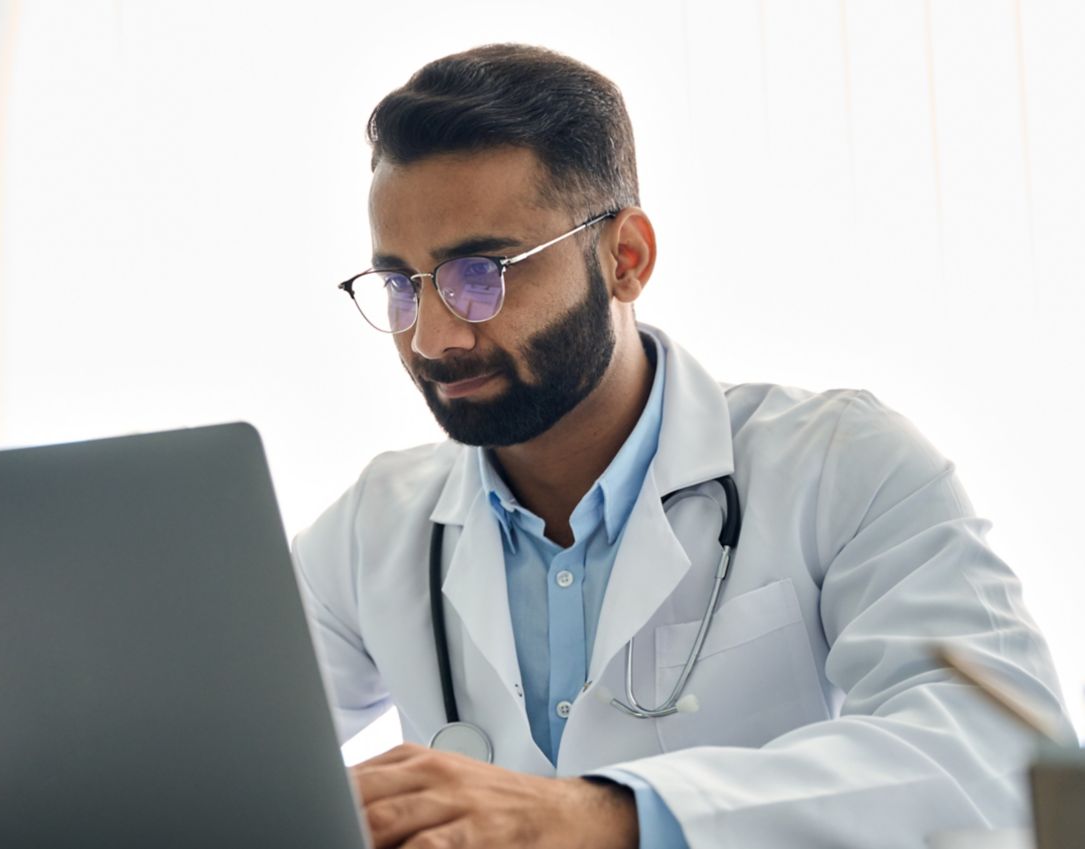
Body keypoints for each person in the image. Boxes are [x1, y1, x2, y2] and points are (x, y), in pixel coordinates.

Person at [292, 43, 1071, 849]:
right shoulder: (371, 530)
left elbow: (997, 753)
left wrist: (605, 815)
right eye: (398, 284)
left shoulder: (841, 465)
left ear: (624, 258)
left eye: (480, 272)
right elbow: (204, 750)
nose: (433, 335)